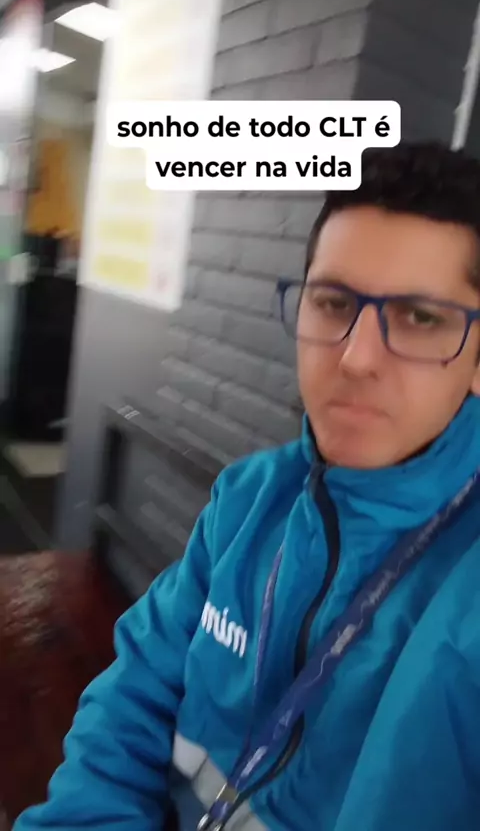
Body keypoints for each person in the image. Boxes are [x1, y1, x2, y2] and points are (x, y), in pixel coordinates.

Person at [14, 141, 480, 831]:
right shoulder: (249, 500)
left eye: (420, 317)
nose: (356, 358)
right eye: (333, 302)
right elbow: (133, 695)